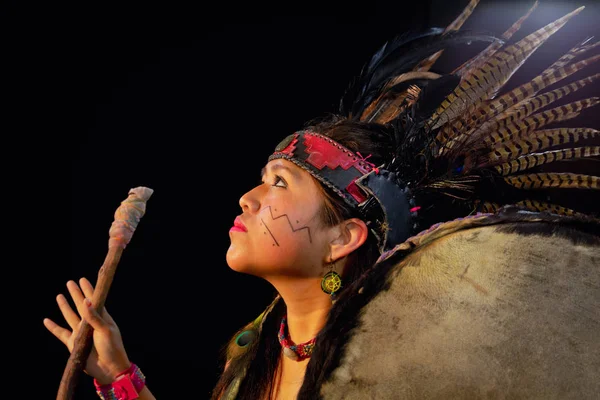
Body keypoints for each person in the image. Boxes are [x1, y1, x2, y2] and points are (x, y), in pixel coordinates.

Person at [48, 1, 600, 399]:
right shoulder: (258, 354)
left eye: (280, 183)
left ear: (344, 237)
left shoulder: (408, 363)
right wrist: (122, 377)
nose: (246, 198)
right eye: (262, 180)